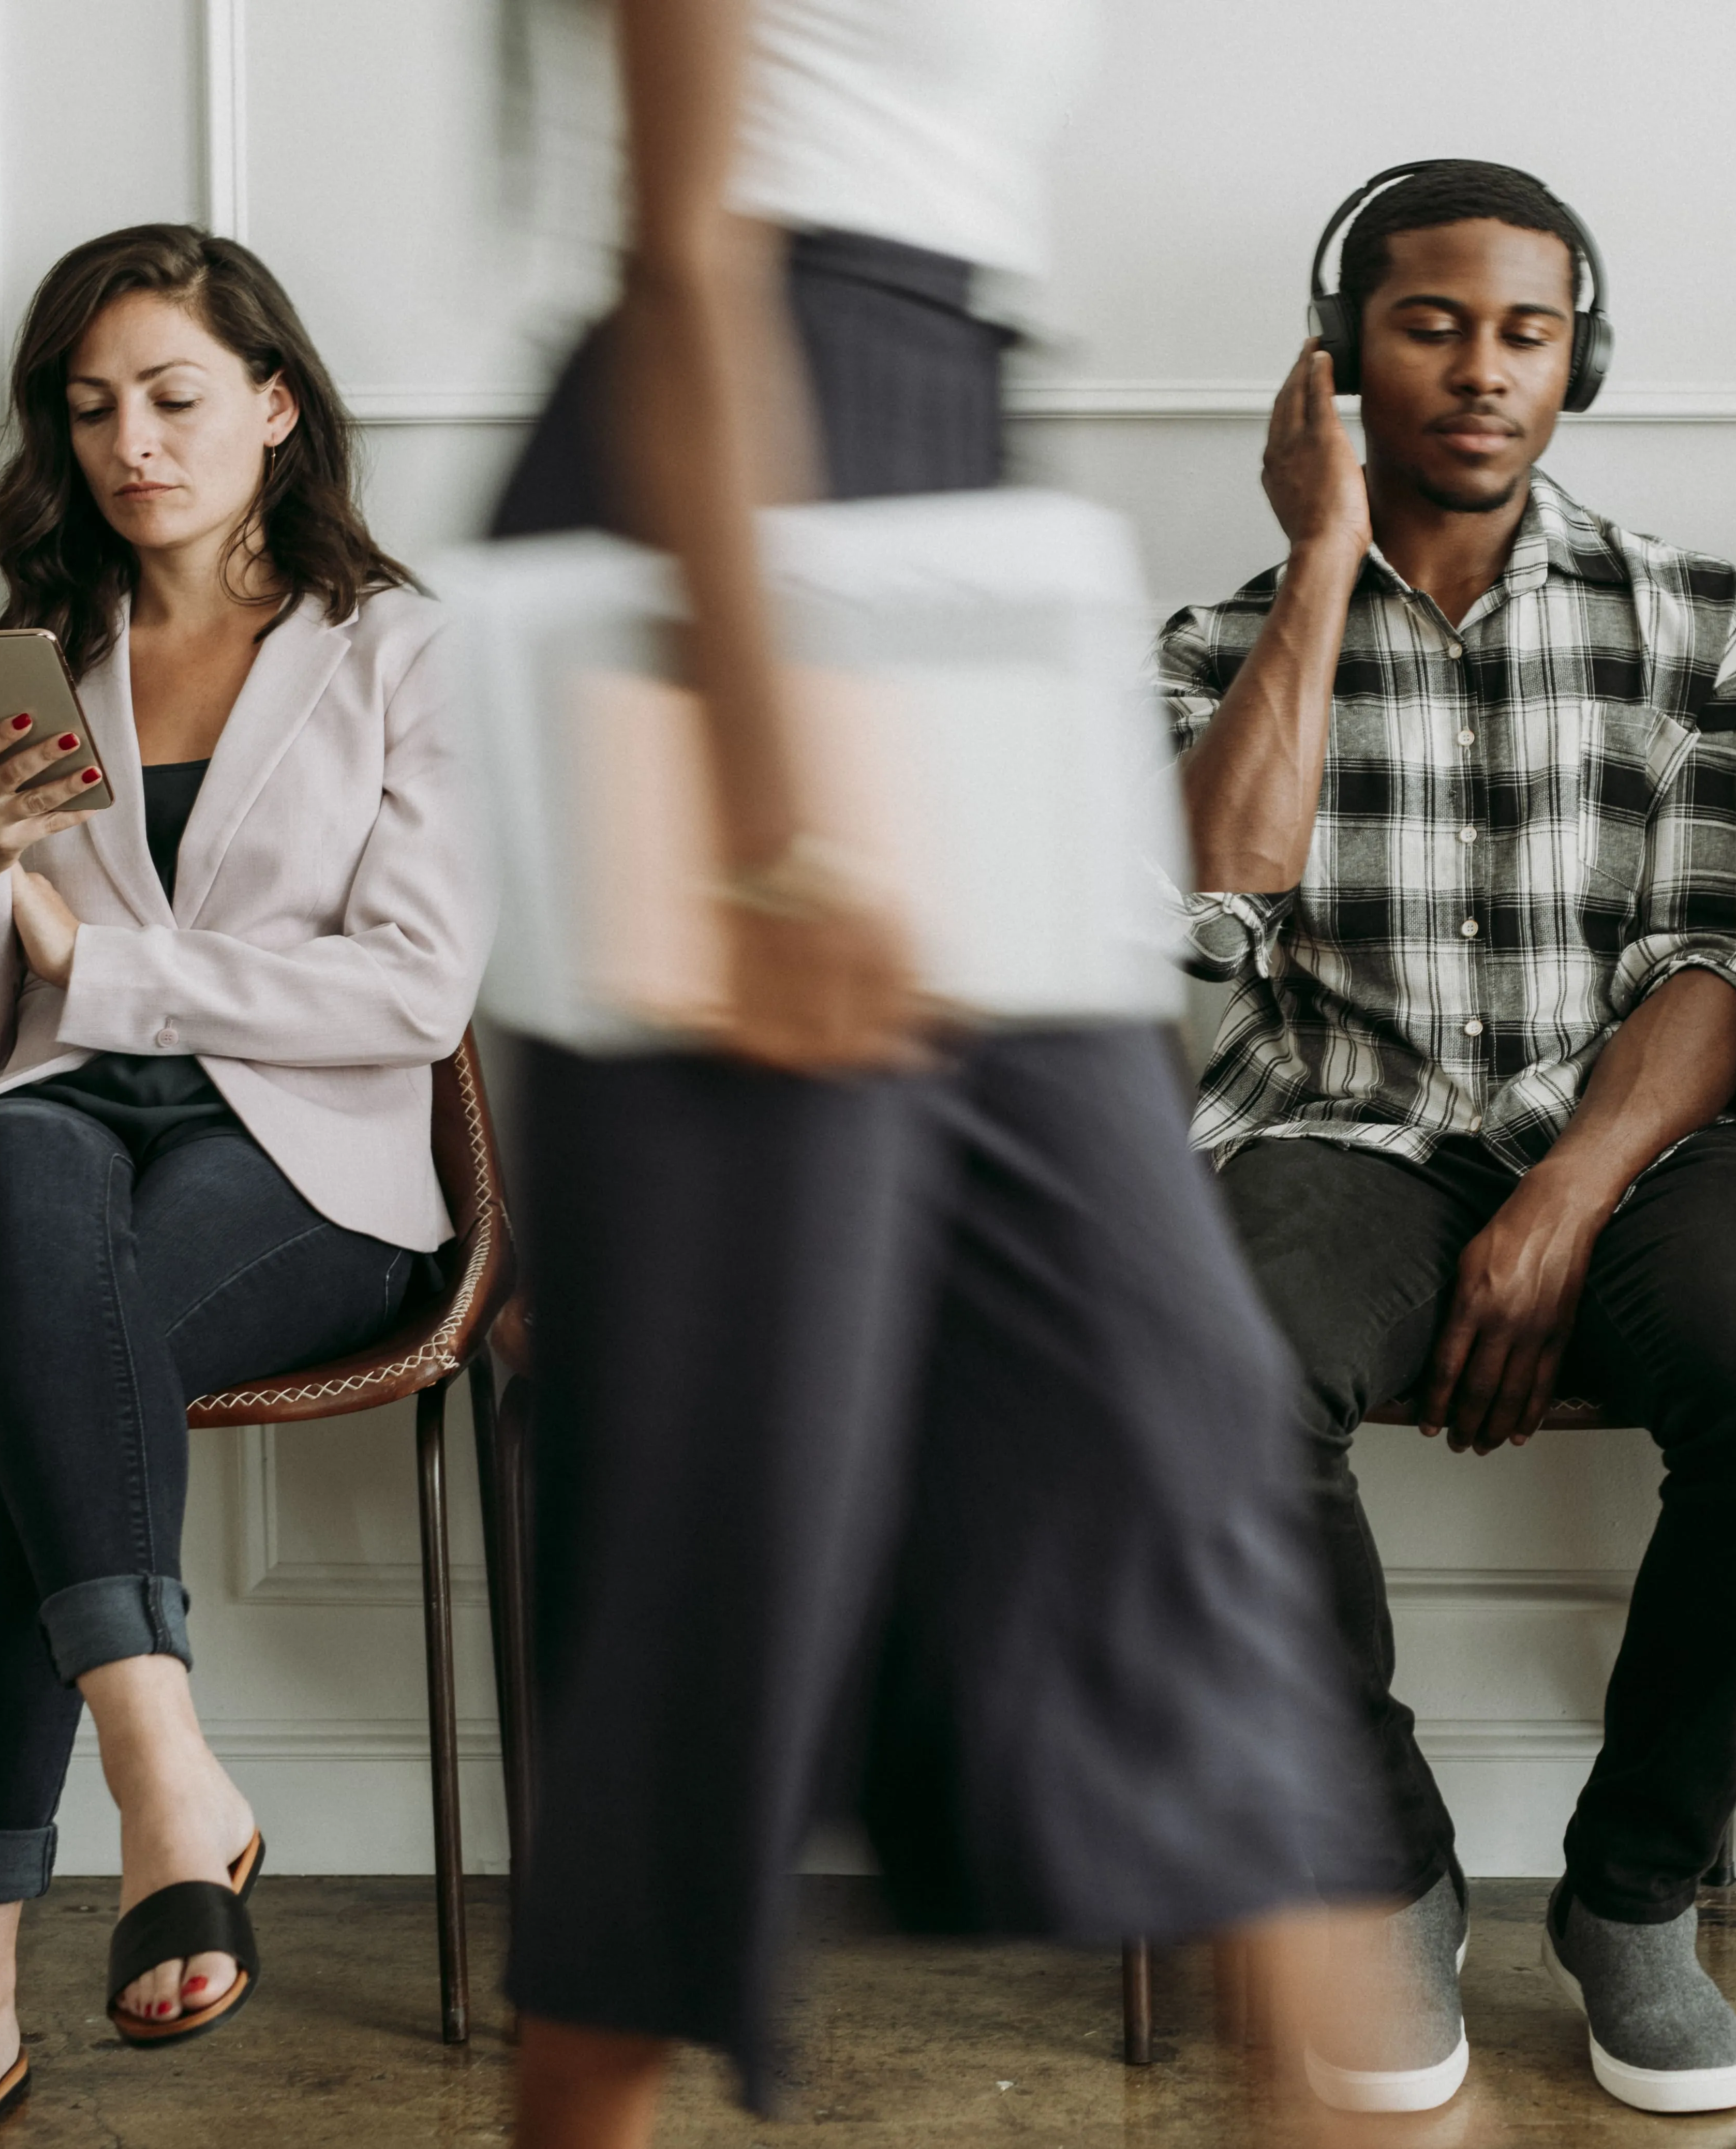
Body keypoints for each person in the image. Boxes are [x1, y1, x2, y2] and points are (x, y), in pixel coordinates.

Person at [491, 7, 1397, 2144]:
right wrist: (772, 815)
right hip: (732, 527)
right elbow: (688, 252)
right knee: (733, 1504)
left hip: (942, 514)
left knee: (1173, 1414)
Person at [1166, 158, 1736, 2118]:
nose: (1482, 372)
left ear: (1581, 360)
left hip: (1636, 1140)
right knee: (1212, 1379)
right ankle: (1379, 1868)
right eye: (1428, 324)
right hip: (1339, 1126)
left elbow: (1725, 960)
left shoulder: (1700, 619)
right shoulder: (1214, 640)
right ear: (1338, 358)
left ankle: (1634, 1895)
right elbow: (1214, 906)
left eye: (1527, 332)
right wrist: (1317, 569)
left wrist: (1561, 1201)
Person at [0, 227, 495, 2149]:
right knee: (19, 1167)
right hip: (49, 1145)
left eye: (176, 397)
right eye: (92, 407)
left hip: (305, 1170)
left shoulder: (408, 654)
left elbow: (412, 992)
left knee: (29, 1344)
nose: (134, 443)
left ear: (274, 407)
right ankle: (162, 1759)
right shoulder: (53, 664)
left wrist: (99, 968)